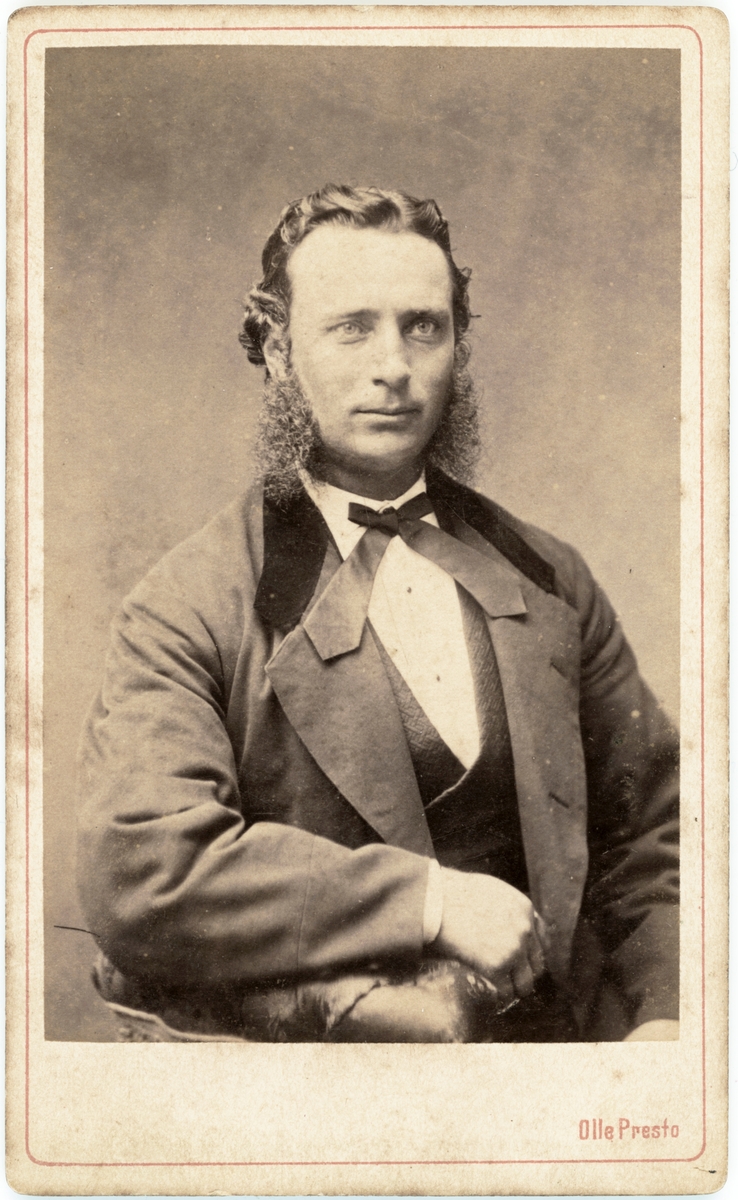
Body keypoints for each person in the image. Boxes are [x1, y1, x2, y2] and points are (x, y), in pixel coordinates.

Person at [77, 184, 679, 1043]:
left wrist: (668, 1017)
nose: (393, 365)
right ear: (279, 350)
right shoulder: (191, 605)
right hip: (339, 1082)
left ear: (457, 346)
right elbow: (145, 870)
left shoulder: (552, 579)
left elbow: (656, 840)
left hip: (564, 1067)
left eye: (423, 326)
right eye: (352, 327)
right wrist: (428, 902)